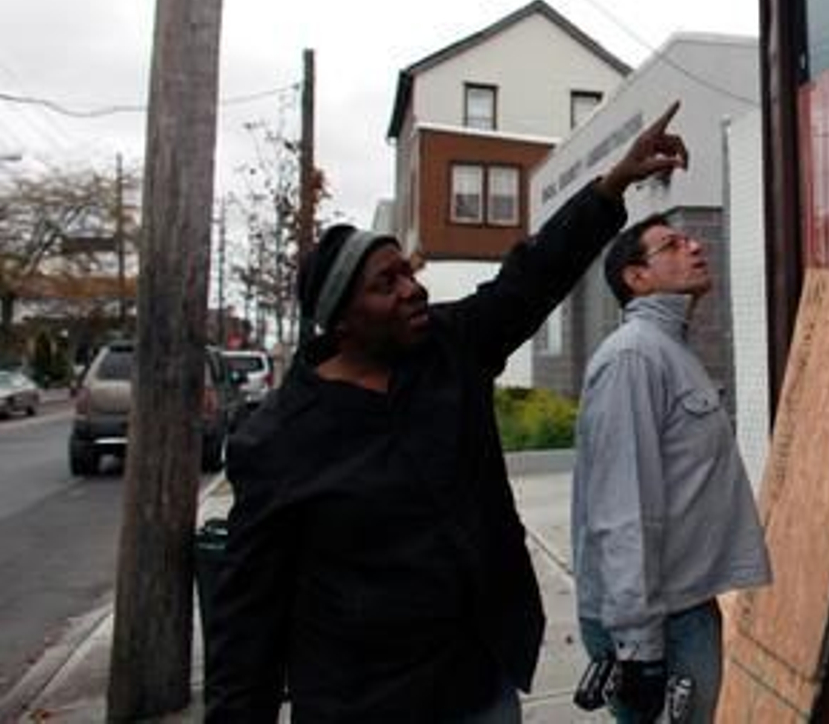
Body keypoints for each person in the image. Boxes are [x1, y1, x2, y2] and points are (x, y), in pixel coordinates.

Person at [204, 105, 689, 723]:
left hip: (477, 682)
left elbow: (530, 277)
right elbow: (247, 621)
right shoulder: (278, 442)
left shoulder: (447, 349)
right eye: (386, 284)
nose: (412, 288)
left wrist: (614, 182)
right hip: (364, 703)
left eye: (406, 270)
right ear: (343, 320)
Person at [572, 215, 771, 723]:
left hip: (684, 605)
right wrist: (638, 650)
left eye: (689, 239)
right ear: (637, 278)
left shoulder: (671, 351)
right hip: (656, 622)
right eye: (672, 245)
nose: (694, 246)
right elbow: (622, 509)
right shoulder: (634, 359)